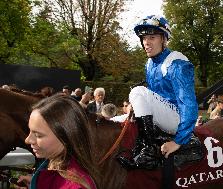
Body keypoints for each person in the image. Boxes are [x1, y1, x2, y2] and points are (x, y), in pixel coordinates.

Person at [117, 15, 199, 169]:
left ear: (164, 39)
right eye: (143, 38)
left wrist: (178, 141)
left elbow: (189, 104)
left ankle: (149, 149)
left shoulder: (177, 63)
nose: (146, 43)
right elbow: (154, 98)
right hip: (163, 116)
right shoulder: (149, 63)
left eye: (152, 37)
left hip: (178, 120)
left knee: (137, 91)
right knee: (116, 120)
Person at [16, 94, 97, 189]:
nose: (27, 140)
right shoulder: (55, 163)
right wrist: (37, 182)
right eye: (29, 130)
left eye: (38, 135)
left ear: (66, 137)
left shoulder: (75, 187)